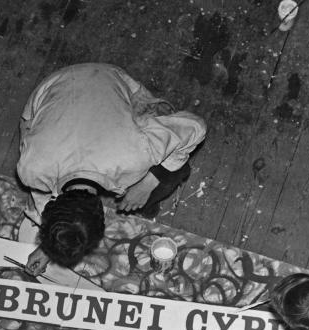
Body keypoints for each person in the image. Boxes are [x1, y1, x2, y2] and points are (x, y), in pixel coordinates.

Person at [16, 63, 207, 273]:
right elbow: (43, 200)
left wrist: (149, 181)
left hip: (109, 79)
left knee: (171, 171)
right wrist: (51, 245)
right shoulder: (31, 169)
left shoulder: (135, 154)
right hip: (57, 84)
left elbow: (196, 126)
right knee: (30, 129)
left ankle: (149, 190)